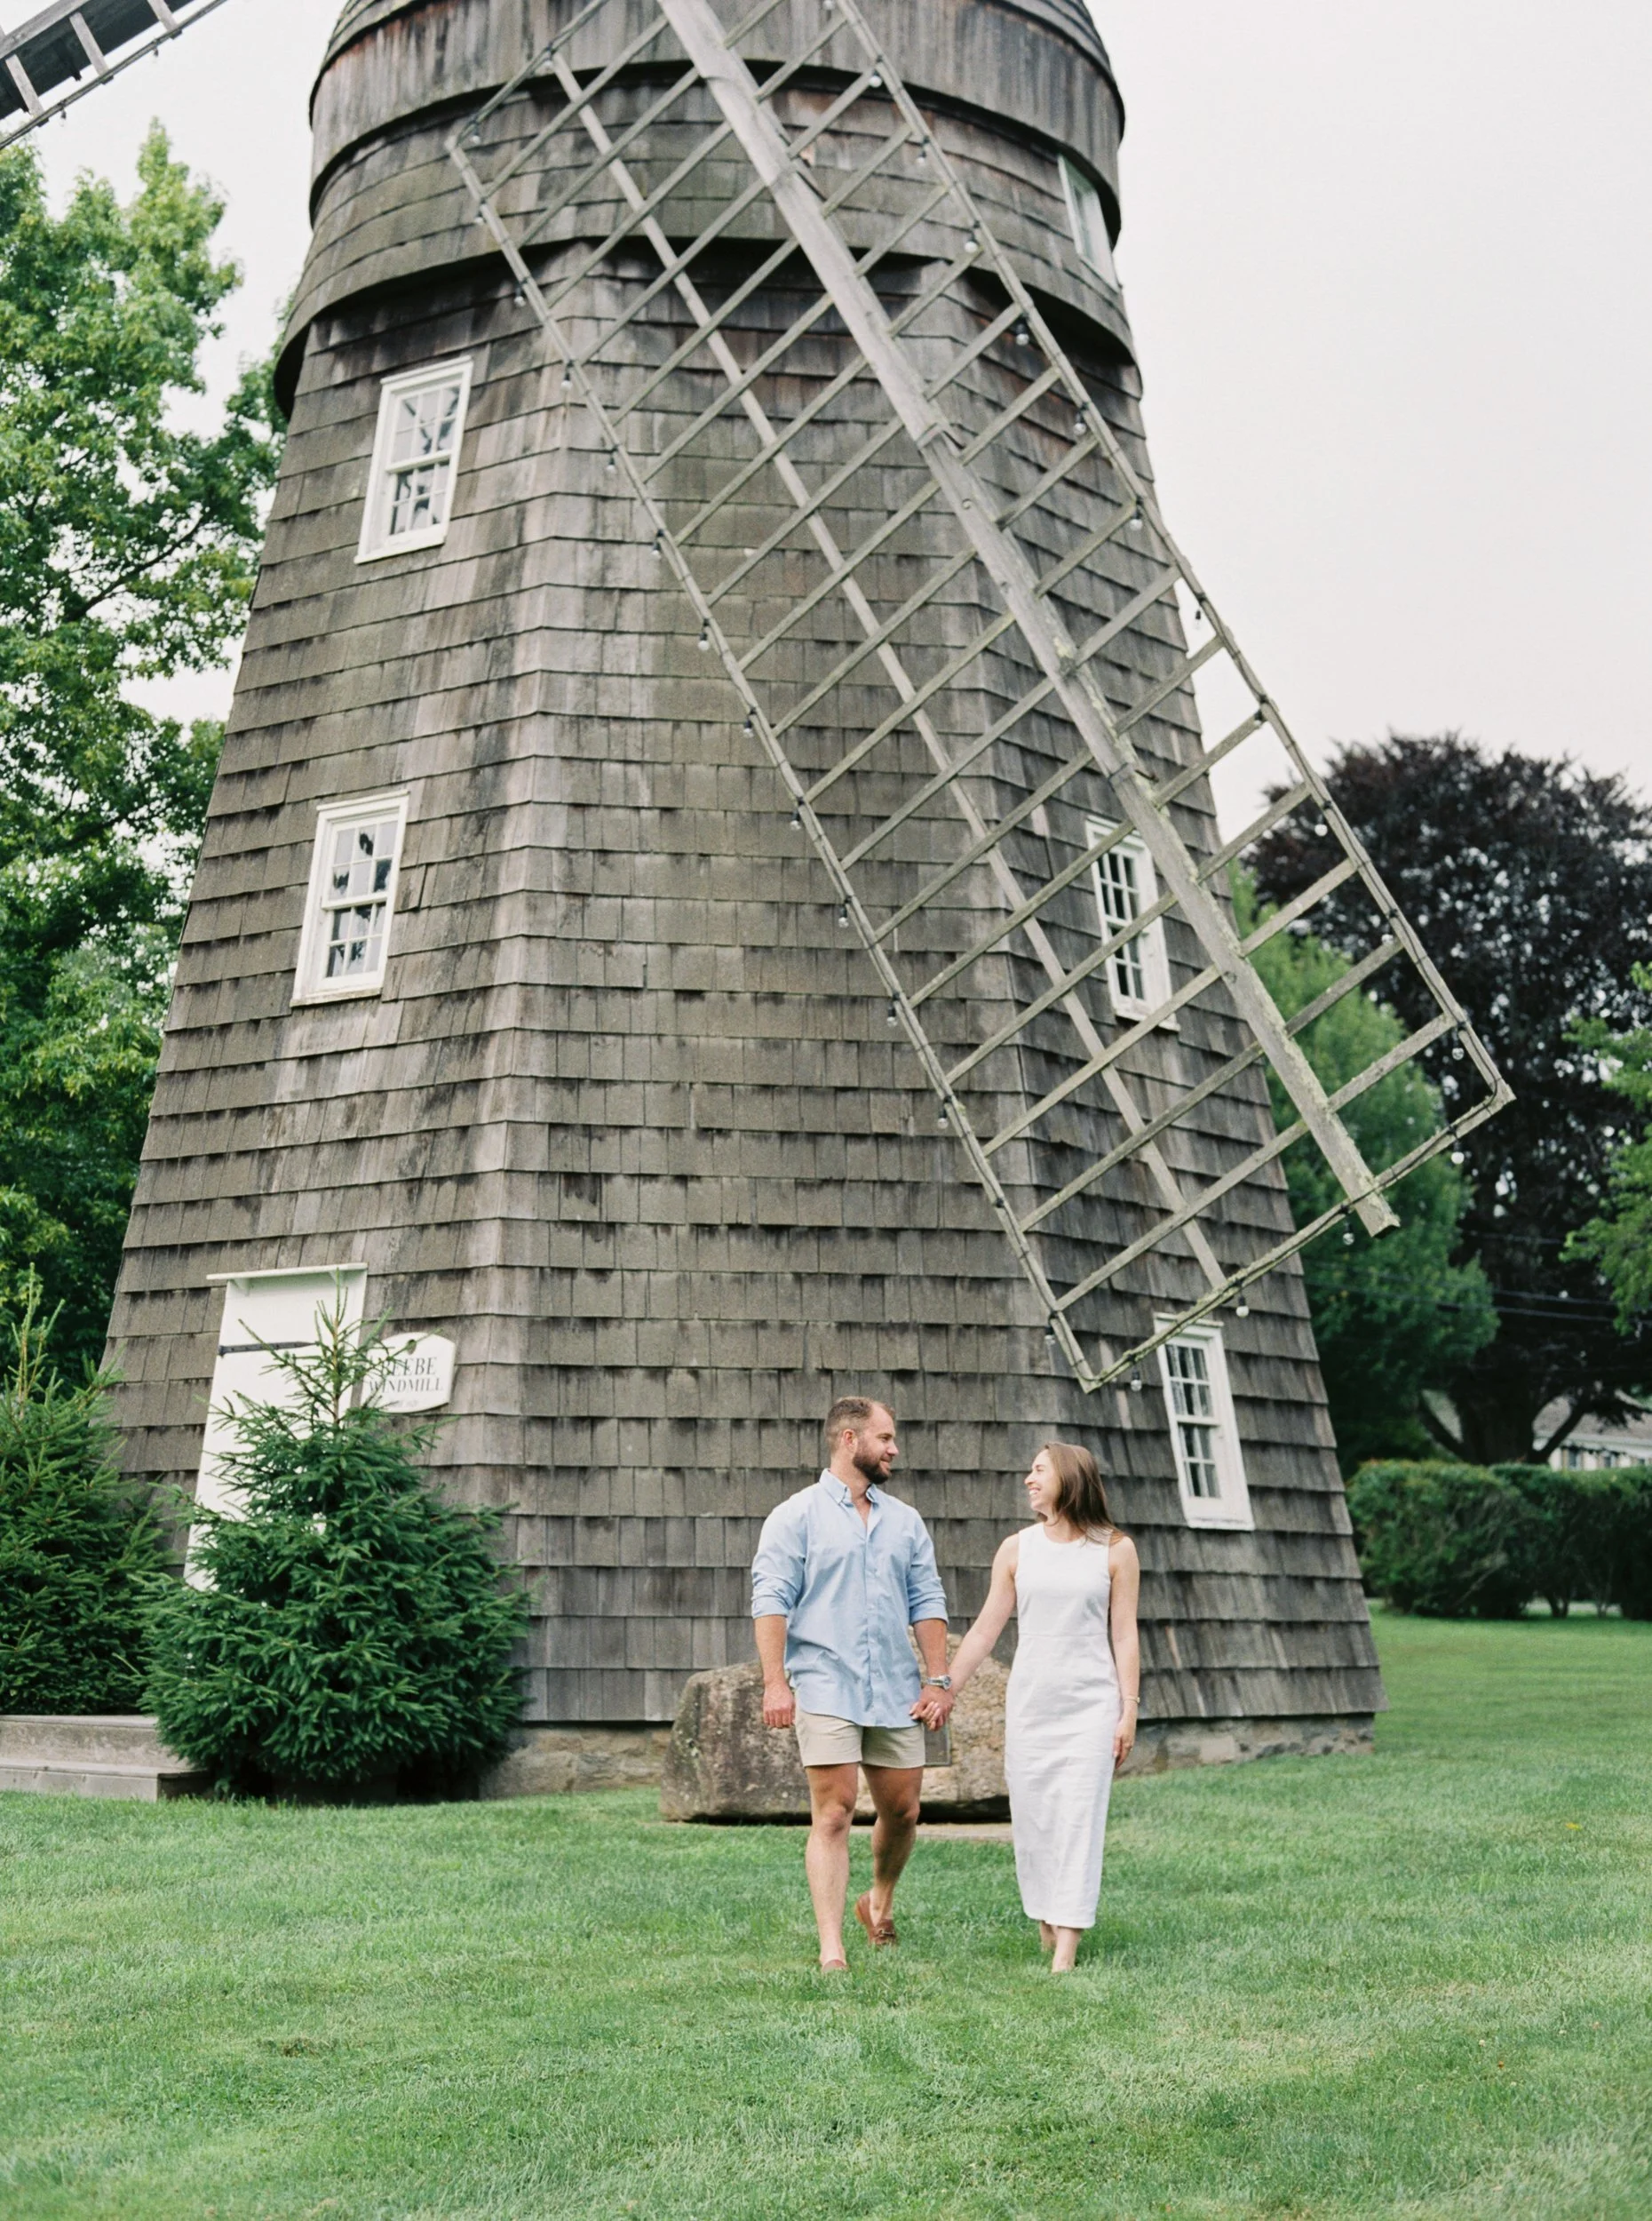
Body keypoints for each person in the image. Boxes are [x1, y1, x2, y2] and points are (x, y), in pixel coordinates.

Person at [917, 1441, 1140, 1972]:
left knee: (1078, 1818)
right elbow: (985, 1631)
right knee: (1036, 1820)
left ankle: (1067, 1946)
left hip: (1090, 1706)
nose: (1027, 1479)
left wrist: (1127, 1709)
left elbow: (1125, 1635)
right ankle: (1046, 1921)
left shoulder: (1115, 1549)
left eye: (1038, 1470)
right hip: (1032, 1707)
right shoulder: (1017, 1549)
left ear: (1068, 1476)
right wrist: (945, 1686)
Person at [751, 1397, 951, 1971]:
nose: (893, 1449)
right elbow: (771, 1602)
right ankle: (832, 1949)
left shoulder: (906, 1523)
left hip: (893, 1689)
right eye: (884, 1438)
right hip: (824, 1683)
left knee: (904, 1811)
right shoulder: (795, 1517)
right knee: (834, 1813)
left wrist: (938, 1681)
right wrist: (775, 1683)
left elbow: (927, 1602)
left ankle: (878, 1902)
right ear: (848, 1439)